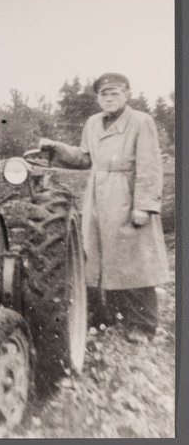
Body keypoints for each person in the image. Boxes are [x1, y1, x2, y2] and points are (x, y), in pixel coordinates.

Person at [39, 72, 170, 343]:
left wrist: (144, 205)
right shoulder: (93, 123)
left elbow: (149, 165)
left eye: (115, 93)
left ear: (127, 95)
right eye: (104, 94)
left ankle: (143, 325)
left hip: (127, 193)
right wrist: (57, 148)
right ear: (98, 98)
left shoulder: (141, 121)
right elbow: (85, 158)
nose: (109, 99)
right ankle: (104, 317)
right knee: (96, 259)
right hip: (98, 197)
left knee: (135, 261)